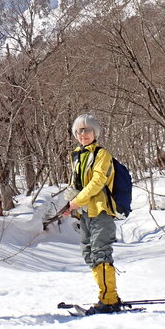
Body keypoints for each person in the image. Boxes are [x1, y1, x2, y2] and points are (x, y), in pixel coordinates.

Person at [61, 113, 122, 313]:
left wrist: (77, 202)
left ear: (95, 132)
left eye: (87, 130)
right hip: (85, 213)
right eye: (79, 130)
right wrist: (68, 206)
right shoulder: (77, 155)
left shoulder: (102, 154)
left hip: (101, 211)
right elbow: (75, 184)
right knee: (89, 254)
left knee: (100, 252)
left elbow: (97, 182)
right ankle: (106, 296)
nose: (83, 134)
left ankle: (109, 300)